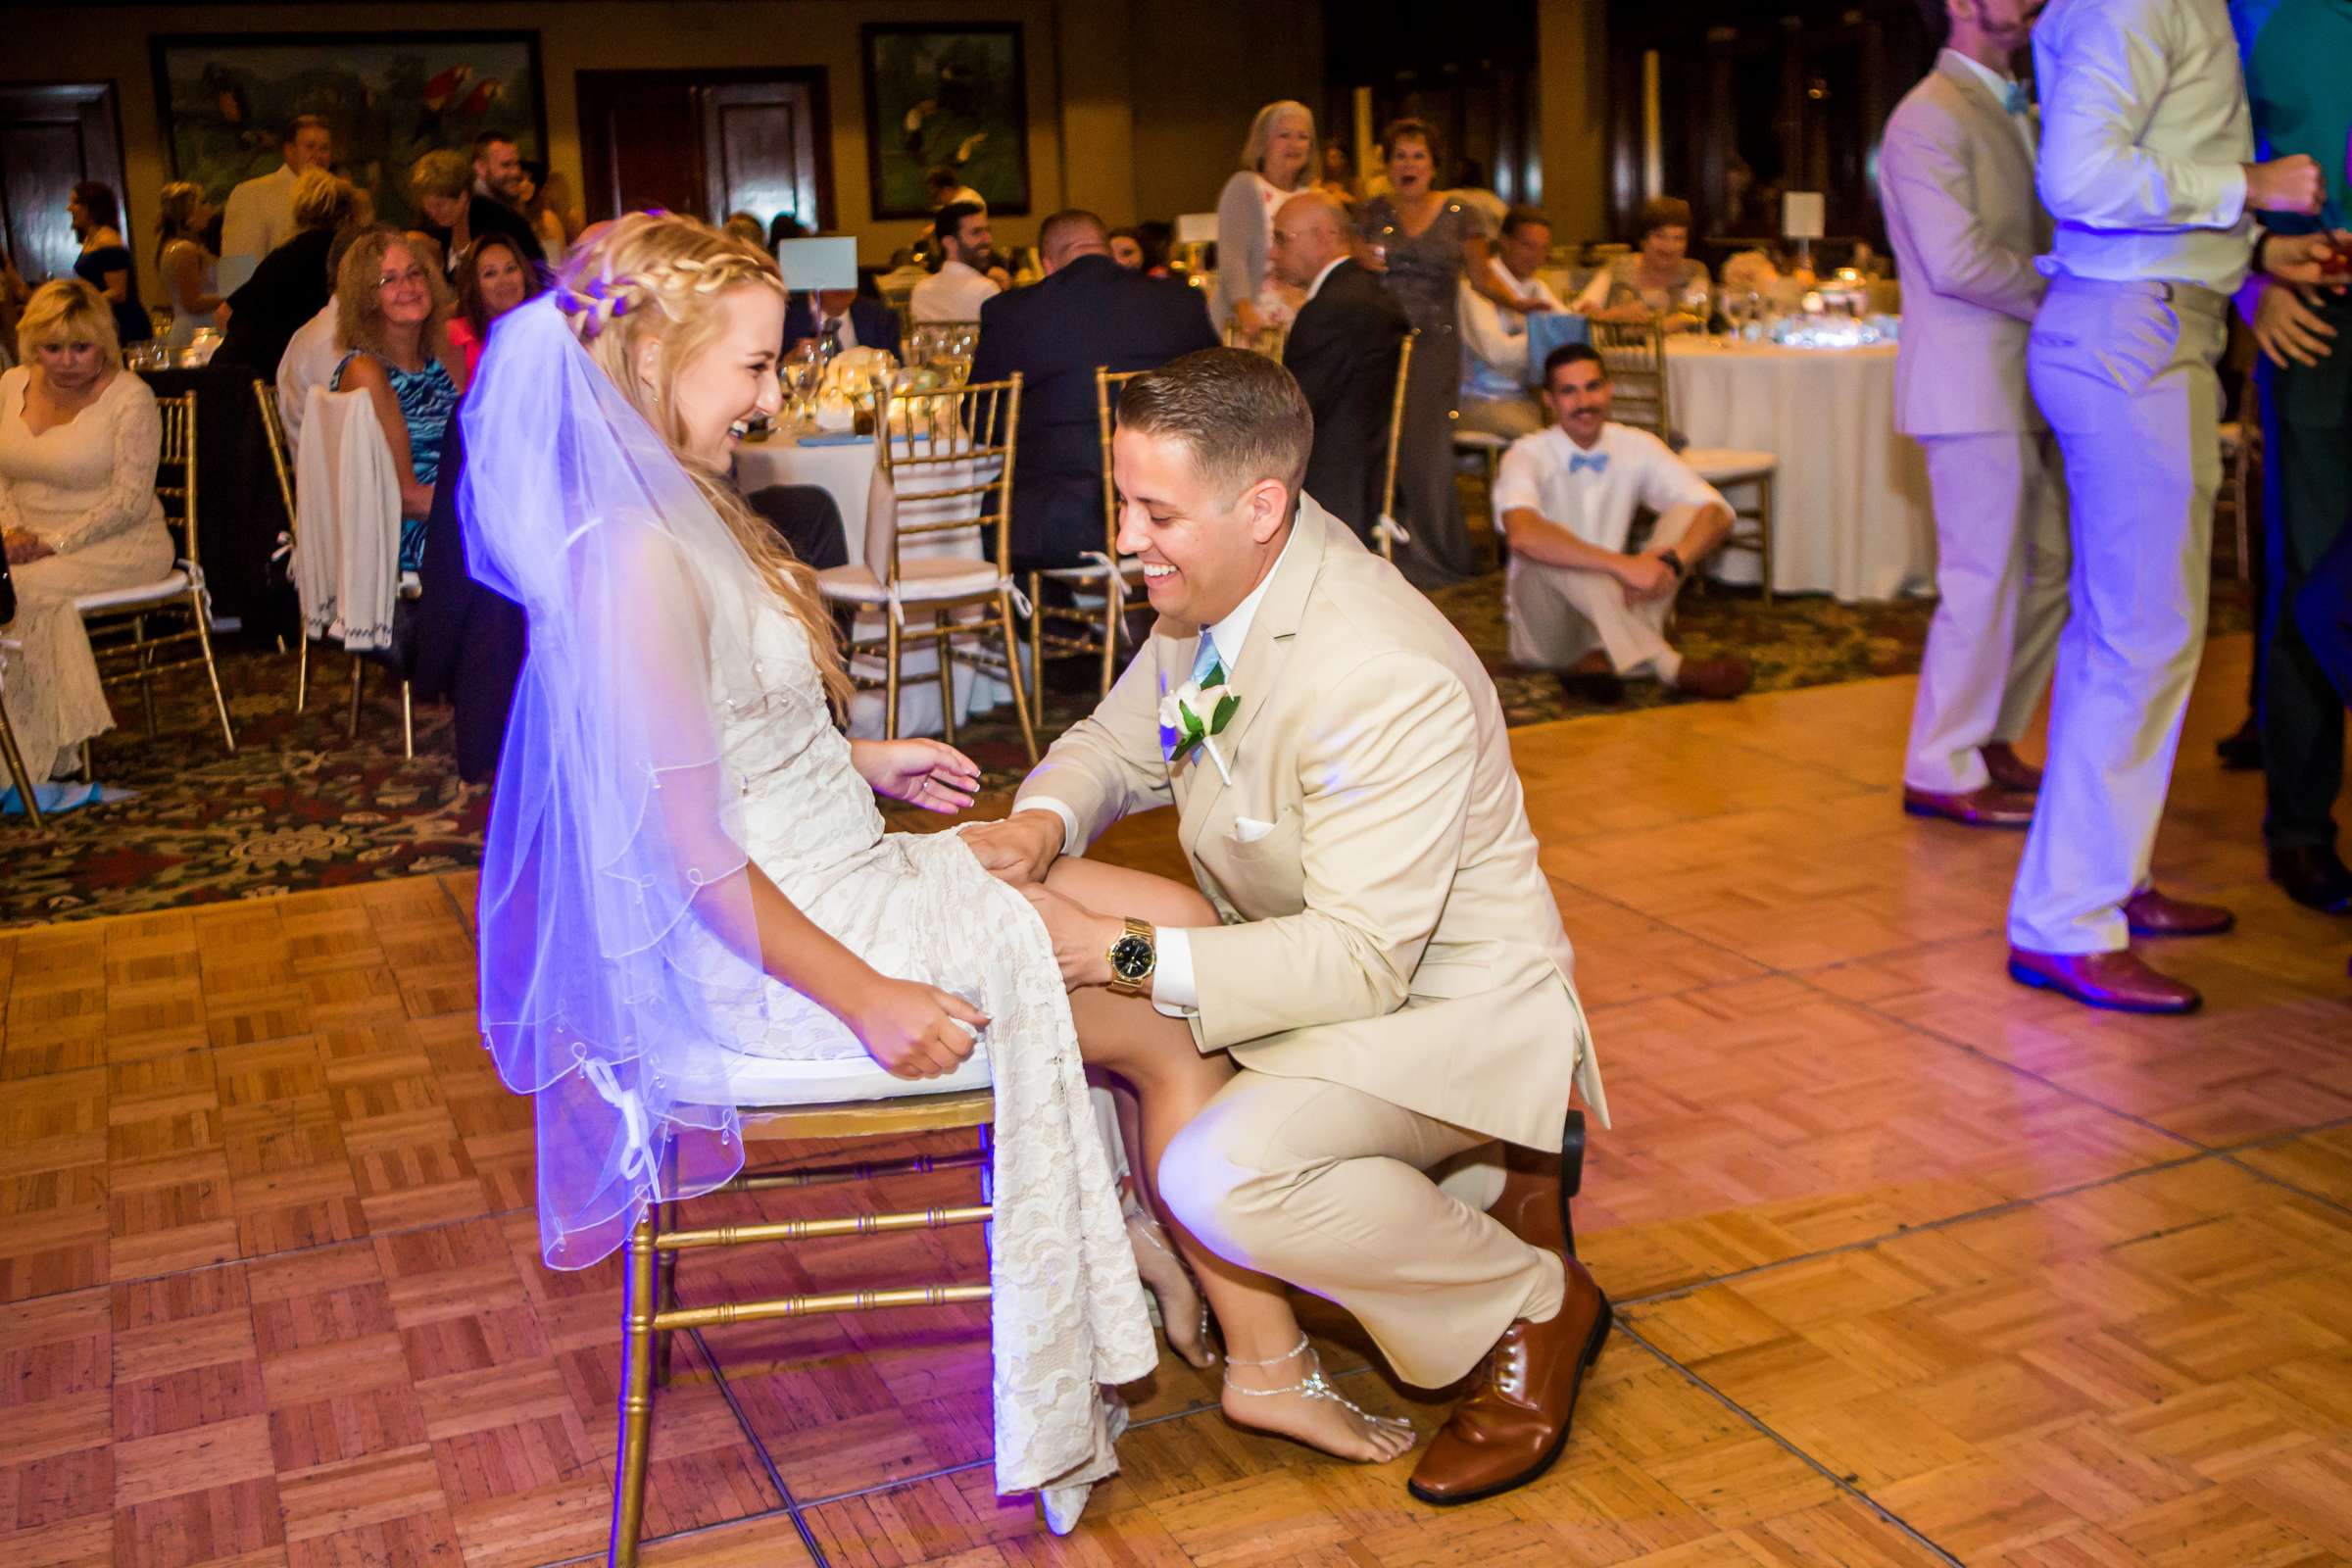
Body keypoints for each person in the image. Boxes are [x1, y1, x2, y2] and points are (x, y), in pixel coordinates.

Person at [459, 216, 1406, 1535]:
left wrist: (858, 756)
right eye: (751, 365)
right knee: (1173, 1008)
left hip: (838, 877)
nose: (771, 393)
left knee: (1175, 921)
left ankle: (1146, 1232)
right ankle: (1262, 1358)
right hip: (786, 952)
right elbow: (686, 854)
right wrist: (865, 998)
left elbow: (709, 740)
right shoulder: (627, 555)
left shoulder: (670, 507)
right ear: (658, 355)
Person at [962, 346, 1611, 1507]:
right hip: (1313, 959)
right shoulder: (1221, 586)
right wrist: (1041, 828)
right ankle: (1457, 1196)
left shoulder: (1378, 669)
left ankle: (1530, 1298)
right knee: (1090, 925)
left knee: (1221, 1177)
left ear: (1262, 504)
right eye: (1126, 499)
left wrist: (1116, 954)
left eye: (1153, 510)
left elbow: (1362, 961)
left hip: (1439, 1006)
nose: (1124, 536)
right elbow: (1120, 743)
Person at [2005, 0, 2337, 1014]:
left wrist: (2253, 251)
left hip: (2140, 321)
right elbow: (2078, 178)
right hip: (2134, 336)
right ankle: (2068, 921)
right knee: (2141, 638)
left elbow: (2135, 169)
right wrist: (2251, 185)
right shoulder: (2139, 0)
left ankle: (2107, 878)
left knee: (2125, 636)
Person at [1881, 0, 2071, 830]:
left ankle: (1992, 733)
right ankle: (1940, 762)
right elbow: (1956, 262)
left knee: (2049, 569)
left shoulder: (2026, 102)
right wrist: (2072, 287)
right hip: (1965, 386)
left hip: (2028, 380)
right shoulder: (1925, 115)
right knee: (1981, 576)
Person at [2236, 0, 2352, 915]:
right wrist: (2251, 282)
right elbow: (2205, 167)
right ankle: (2301, 830)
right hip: (2315, 318)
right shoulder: (2255, 16)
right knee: (2311, 582)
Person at [1495, 344, 1753, 703]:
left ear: (1609, 389)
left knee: (1690, 513)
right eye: (1569, 392)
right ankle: (1672, 668)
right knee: (1550, 547)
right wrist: (1622, 566)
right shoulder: (1525, 454)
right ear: (1550, 401)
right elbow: (1522, 534)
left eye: (1592, 386)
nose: (1584, 401)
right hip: (1549, 630)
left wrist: (1672, 561)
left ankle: (1602, 657)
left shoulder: (1635, 445)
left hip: (1622, 605)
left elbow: (1717, 512)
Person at [967, 209, 1216, 566]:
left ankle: (1056, 623)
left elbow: (983, 424)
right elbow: (1220, 397)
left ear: (1047, 264)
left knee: (1001, 512)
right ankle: (1135, 617)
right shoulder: (1178, 300)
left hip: (1065, 524)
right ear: (1107, 250)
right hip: (1179, 511)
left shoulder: (1012, 312)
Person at [0, 280, 174, 780]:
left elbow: (129, 501)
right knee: (19, 584)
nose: (66, 360)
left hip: (122, 544)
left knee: (19, 592)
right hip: (23, 544)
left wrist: (52, 544)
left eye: (82, 347)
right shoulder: (11, 384)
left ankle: (30, 761)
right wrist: (13, 532)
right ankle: (28, 745)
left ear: (105, 342)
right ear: (32, 344)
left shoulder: (130, 397)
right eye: (52, 348)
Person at [1359, 119, 1522, 584]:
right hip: (1378, 342)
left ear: (1433, 165)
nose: (1408, 165)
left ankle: (1438, 555)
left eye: (1418, 156)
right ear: (1387, 166)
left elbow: (1484, 277)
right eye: (1399, 156)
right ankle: (1383, 546)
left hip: (1434, 345)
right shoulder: (1369, 212)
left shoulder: (1460, 212)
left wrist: (1520, 302)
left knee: (1424, 448)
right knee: (1378, 443)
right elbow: (1351, 267)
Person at [1271, 191, 1409, 542]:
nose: (1274, 253)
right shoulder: (1364, 292)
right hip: (1369, 468)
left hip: (1334, 483)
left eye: (1281, 238)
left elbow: (1294, 409)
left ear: (1324, 236)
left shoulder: (1333, 309)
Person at [329, 229, 467, 577]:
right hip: (409, 542)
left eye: (414, 273)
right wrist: (488, 508)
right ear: (367, 298)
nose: (408, 287)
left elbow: (477, 449)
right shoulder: (366, 372)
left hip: (456, 518)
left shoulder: (445, 355)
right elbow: (403, 496)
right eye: (388, 280)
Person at [216, 170, 359, 373]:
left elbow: (224, 313)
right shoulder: (343, 254)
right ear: (347, 213)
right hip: (266, 374)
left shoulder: (285, 254)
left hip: (248, 369)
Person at [1457, 207, 1569, 440]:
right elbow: (1497, 354)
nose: (1536, 256)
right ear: (1505, 242)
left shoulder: (1536, 287)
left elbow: (1568, 332)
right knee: (1548, 442)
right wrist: (1546, 336)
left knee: (1587, 423)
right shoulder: (1475, 286)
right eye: (1528, 246)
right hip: (1479, 399)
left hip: (1525, 397)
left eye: (1543, 248)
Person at [1213, 100, 1319, 335]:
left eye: (1303, 137)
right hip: (1255, 321)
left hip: (1302, 320)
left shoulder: (1311, 197)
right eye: (1284, 135)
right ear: (1263, 142)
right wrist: (1243, 308)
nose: (1295, 144)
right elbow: (1232, 255)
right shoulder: (1245, 186)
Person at [274, 224, 373, 459]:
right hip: (340, 482)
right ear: (348, 273)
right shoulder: (332, 340)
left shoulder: (339, 329)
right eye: (387, 275)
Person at [220, 115, 334, 287]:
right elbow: (236, 278)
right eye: (310, 147)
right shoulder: (253, 194)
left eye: (324, 148)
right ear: (289, 150)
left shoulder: (335, 199)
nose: (318, 156)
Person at [1573, 197, 1713, 329]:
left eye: (1678, 238)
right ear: (1643, 240)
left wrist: (1632, 328)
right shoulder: (1619, 267)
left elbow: (1694, 318)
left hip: (1685, 354)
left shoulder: (1695, 272)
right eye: (1660, 236)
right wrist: (1614, 315)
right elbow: (1580, 313)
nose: (1669, 246)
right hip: (1618, 355)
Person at [446, 234, 542, 380]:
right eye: (490, 274)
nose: (504, 281)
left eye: (510, 269)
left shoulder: (546, 328)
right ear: (474, 285)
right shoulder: (458, 337)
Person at [67, 183, 148, 348]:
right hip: (104, 320)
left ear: (91, 207)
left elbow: (118, 293)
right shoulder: (92, 239)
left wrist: (80, 302)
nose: (69, 208)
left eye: (75, 202)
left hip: (123, 323)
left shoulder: (107, 241)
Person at [155, 182, 225, 352]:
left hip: (196, 327)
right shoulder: (185, 250)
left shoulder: (175, 246)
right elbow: (192, 302)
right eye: (202, 203)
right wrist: (231, 296)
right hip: (196, 330)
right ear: (187, 212)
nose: (209, 208)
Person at [911, 202, 1000, 323]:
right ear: (950, 243)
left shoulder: (921, 291)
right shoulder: (985, 290)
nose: (988, 239)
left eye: (988, 231)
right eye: (976, 232)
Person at [782, 285, 902, 360]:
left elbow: (897, 373)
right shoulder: (784, 318)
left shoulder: (880, 317)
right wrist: (788, 364)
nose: (841, 285)